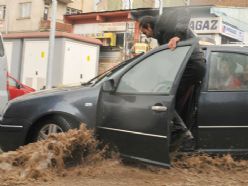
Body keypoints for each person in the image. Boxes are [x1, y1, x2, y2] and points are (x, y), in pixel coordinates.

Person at [138, 8, 206, 147]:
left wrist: (177, 35)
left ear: (148, 26)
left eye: (145, 33)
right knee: (166, 96)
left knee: (163, 98)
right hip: (190, 66)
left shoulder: (163, 21)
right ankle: (176, 131)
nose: (147, 37)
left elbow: (185, 11)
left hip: (192, 66)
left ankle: (180, 131)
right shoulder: (161, 36)